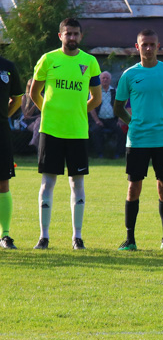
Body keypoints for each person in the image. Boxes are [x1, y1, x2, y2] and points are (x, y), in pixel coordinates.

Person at [29, 18, 102, 250]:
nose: (72, 37)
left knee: (76, 184)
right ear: (60, 36)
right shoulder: (48, 59)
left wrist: (79, 111)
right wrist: (49, 112)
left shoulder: (89, 62)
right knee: (47, 183)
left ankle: (77, 237)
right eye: (67, 33)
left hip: (77, 132)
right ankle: (44, 237)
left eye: (76, 34)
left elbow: (97, 99)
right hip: (51, 130)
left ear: (80, 36)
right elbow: (34, 93)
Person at [113, 29, 163, 251]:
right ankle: (130, 240)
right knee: (133, 188)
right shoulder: (129, 75)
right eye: (144, 44)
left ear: (158, 46)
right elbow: (118, 107)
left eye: (152, 44)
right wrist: (131, 122)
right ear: (137, 47)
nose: (148, 48)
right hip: (137, 141)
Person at [0, 56, 24, 249]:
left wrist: (3, 116)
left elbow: (17, 99)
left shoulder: (8, 66)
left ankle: (5, 235)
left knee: (3, 182)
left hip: (1, 133)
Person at [89, 72, 122, 158]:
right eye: (103, 78)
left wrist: (119, 120)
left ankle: (118, 154)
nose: (105, 80)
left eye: (107, 78)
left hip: (112, 119)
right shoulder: (95, 92)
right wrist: (97, 120)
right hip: (99, 119)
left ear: (110, 80)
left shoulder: (115, 92)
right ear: (100, 80)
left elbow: (121, 106)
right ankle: (99, 154)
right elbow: (91, 107)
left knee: (121, 130)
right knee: (95, 131)